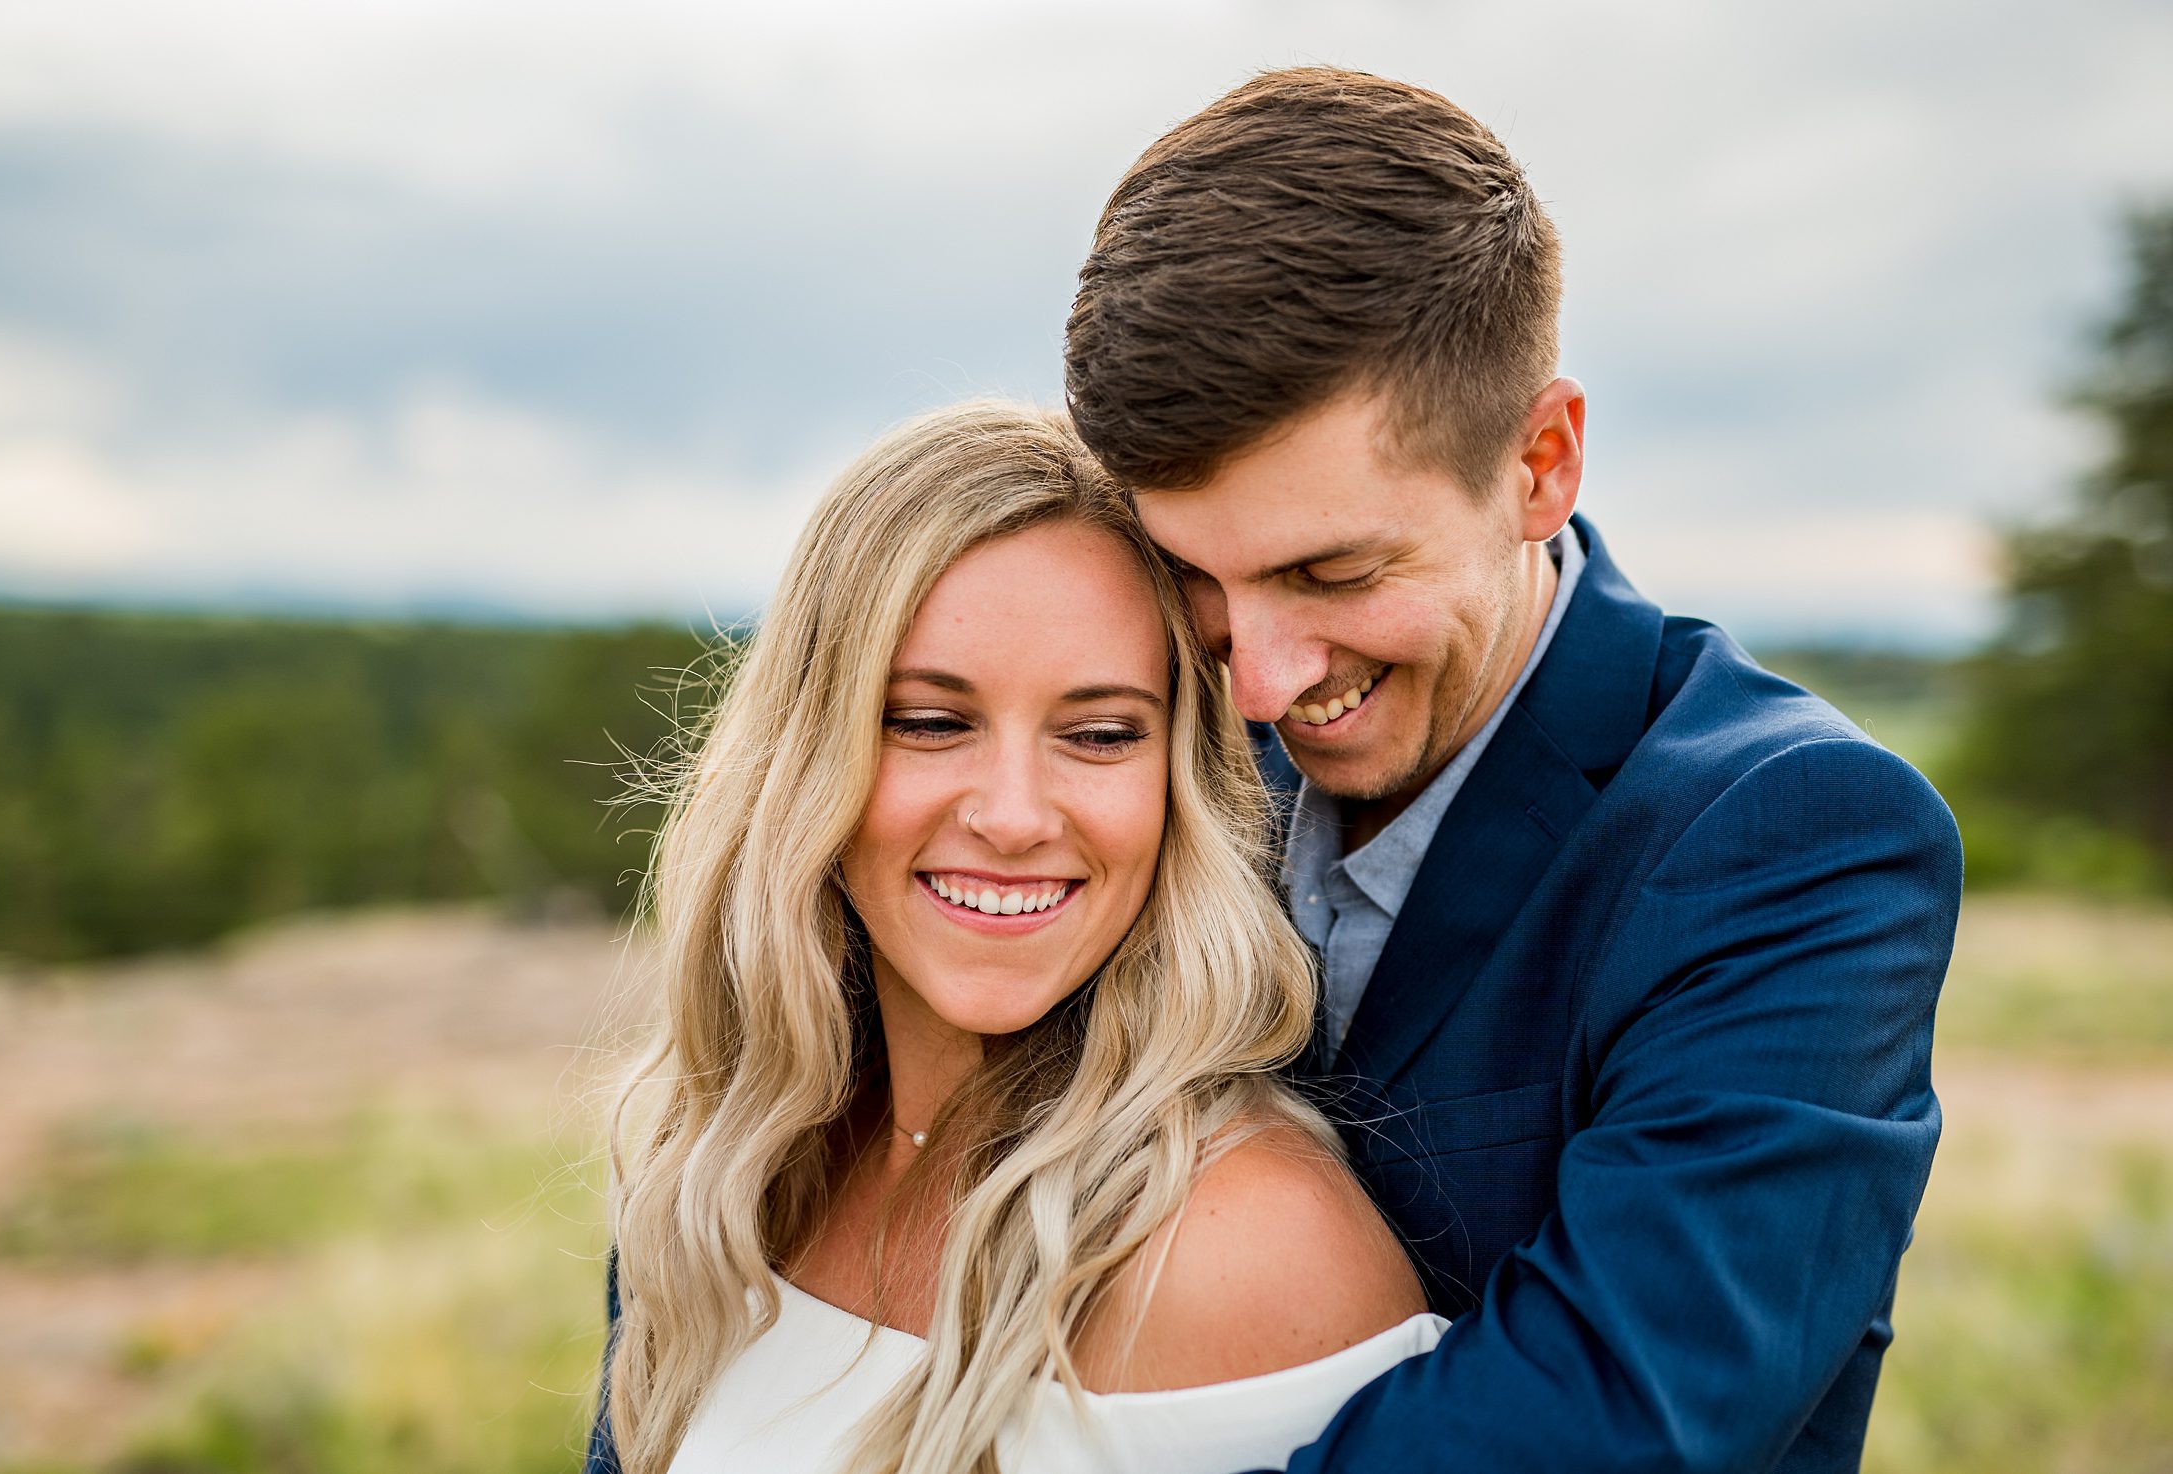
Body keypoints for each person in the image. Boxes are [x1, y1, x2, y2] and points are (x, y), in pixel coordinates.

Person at [1060, 67, 1965, 1473]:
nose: (1255, 681)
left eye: (1334, 570)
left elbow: (1613, 1421)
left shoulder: (1801, 838)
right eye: (1194, 575)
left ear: (1541, 462)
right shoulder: (1118, 745)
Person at [582, 402, 1441, 1474]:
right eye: (931, 721)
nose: (1015, 814)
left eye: (1097, 734)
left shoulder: (1242, 1252)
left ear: (1179, 783)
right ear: (807, 758)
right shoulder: (739, 1168)